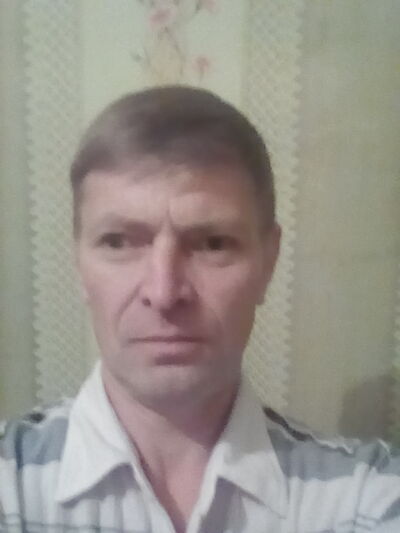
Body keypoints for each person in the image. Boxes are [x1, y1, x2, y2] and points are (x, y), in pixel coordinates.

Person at [0, 86, 399, 533]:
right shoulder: (9, 483)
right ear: (78, 263)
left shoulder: (367, 495)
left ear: (268, 262)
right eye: (119, 242)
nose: (164, 293)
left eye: (213, 244)